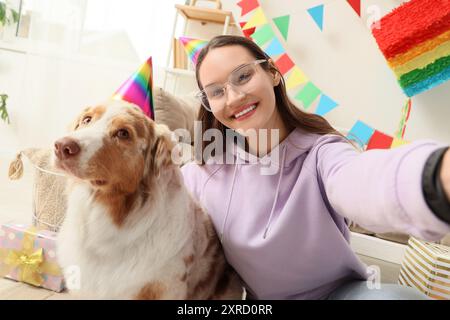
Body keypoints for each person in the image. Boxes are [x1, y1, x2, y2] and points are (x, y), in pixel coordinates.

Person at [180, 35, 450, 300]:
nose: (234, 97)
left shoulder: (321, 152)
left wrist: (436, 174)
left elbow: (359, 182)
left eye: (243, 76)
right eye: (216, 92)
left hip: (340, 293)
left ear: (272, 73)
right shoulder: (200, 176)